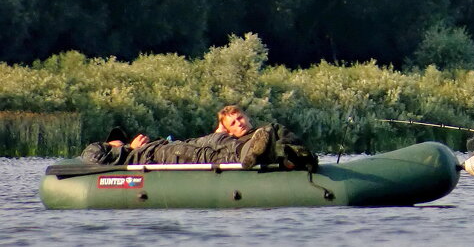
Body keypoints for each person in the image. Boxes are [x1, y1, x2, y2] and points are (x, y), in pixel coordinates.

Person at [80, 105, 314, 170]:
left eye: (240, 118)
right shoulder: (113, 152)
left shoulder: (254, 130)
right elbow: (91, 155)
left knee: (272, 129)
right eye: (116, 140)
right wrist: (128, 148)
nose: (239, 122)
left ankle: (293, 155)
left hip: (169, 147)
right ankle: (258, 154)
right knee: (206, 152)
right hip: (159, 153)